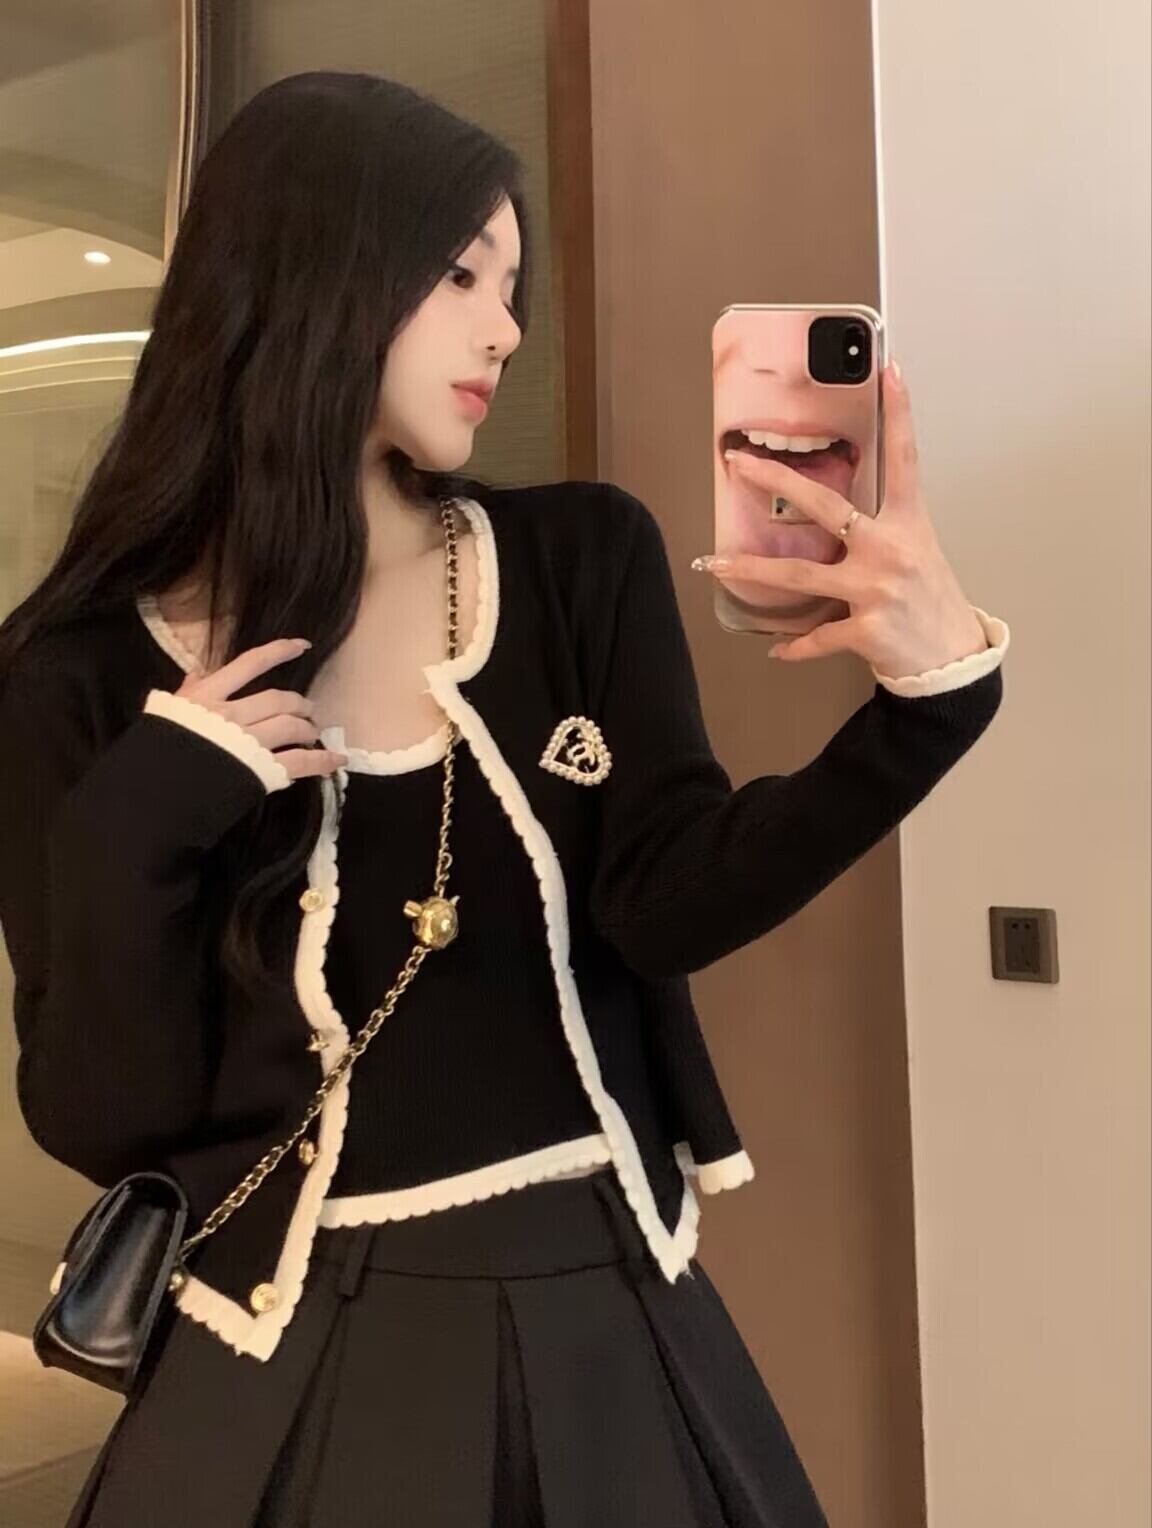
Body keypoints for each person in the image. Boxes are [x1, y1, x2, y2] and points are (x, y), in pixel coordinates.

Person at [0, 71, 1009, 1528]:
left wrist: (930, 704)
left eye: (514, 287)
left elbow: (665, 903)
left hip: (605, 1310)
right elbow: (106, 1115)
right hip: (280, 1347)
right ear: (318, 266)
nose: (505, 330)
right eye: (463, 274)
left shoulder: (574, 560)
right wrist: (141, 816)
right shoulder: (78, 676)